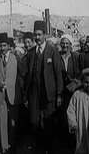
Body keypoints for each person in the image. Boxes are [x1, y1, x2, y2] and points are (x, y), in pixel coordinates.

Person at [22, 20, 63, 153]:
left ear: (45, 35)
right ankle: (39, 149)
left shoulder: (52, 51)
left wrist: (58, 94)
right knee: (35, 123)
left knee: (48, 124)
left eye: (39, 35)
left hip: (48, 94)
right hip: (34, 93)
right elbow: (26, 74)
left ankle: (49, 149)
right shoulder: (31, 52)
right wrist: (26, 94)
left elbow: (58, 74)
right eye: (35, 35)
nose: (37, 38)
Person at [0, 33, 22, 154]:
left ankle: (13, 146)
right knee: (2, 123)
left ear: (9, 46)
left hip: (13, 95)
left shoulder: (16, 59)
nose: (2, 48)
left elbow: (21, 76)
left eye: (4, 45)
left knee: (13, 123)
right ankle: (4, 148)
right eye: (0, 46)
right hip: (1, 96)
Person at [67, 68, 89, 154]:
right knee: (82, 147)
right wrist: (73, 124)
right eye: (86, 82)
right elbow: (71, 110)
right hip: (81, 127)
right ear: (82, 82)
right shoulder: (77, 95)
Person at [59, 34, 81, 150]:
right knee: (63, 116)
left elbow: (79, 73)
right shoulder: (57, 57)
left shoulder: (76, 57)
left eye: (67, 43)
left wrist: (76, 82)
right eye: (63, 43)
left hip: (74, 91)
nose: (65, 45)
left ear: (71, 45)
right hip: (61, 91)